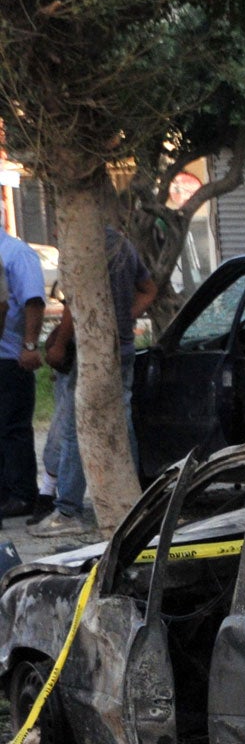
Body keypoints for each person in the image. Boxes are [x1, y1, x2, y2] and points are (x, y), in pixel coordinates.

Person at [27, 228, 155, 538]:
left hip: (91, 348)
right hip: (122, 347)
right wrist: (124, 319)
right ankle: (132, 502)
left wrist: (59, 344)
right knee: (122, 423)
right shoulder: (124, 244)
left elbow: (77, 303)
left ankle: (68, 509)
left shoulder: (83, 245)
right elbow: (149, 289)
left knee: (74, 424)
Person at [0, 219, 48, 520]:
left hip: (11, 356)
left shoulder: (16, 253)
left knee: (13, 427)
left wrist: (30, 345)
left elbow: (33, 300)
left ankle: (22, 495)